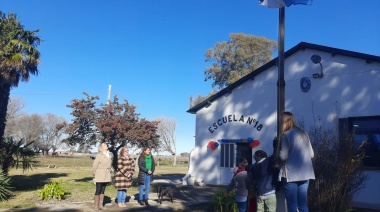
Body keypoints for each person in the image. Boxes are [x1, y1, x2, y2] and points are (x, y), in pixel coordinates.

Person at [279, 111, 315, 212]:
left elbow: (283, 156)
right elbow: (311, 154)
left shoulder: (286, 135)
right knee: (303, 204)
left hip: (291, 174)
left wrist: (277, 154)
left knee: (292, 205)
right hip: (305, 174)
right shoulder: (304, 134)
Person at [92, 142, 113, 211]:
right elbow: (94, 165)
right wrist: (94, 174)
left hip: (106, 174)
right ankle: (96, 206)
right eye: (104, 145)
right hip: (100, 174)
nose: (106, 145)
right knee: (98, 189)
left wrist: (111, 169)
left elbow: (109, 164)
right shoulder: (99, 155)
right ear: (101, 147)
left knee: (103, 190)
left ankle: (101, 205)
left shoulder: (109, 154)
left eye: (106, 144)